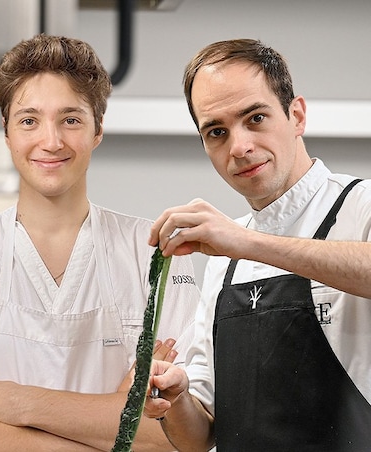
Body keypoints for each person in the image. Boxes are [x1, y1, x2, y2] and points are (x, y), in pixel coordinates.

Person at [0, 34, 200, 451]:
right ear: (6, 132)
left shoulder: (153, 252)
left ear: (98, 130)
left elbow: (178, 437)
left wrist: (17, 404)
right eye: (29, 120)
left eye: (71, 119)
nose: (51, 141)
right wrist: (116, 414)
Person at [144, 38, 371, 451]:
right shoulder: (224, 261)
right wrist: (175, 400)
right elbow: (200, 437)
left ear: (296, 115)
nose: (239, 147)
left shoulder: (361, 205)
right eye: (217, 132)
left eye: (256, 118)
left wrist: (245, 241)